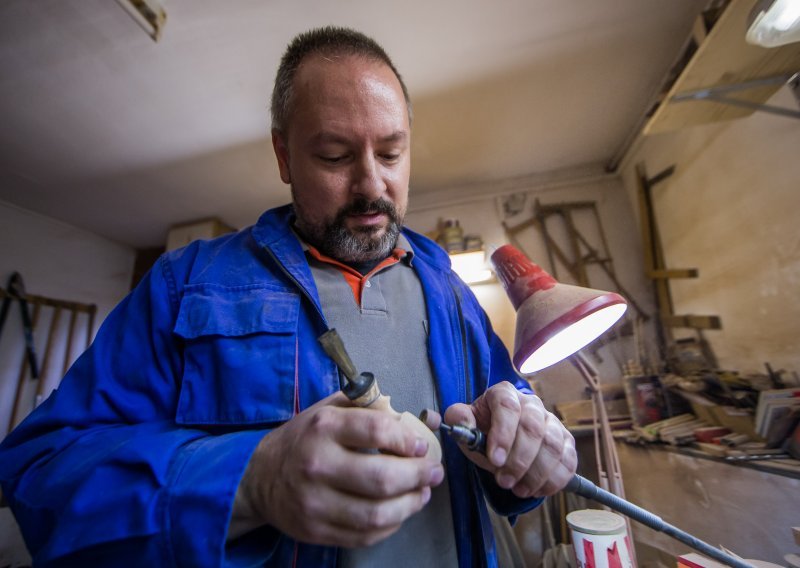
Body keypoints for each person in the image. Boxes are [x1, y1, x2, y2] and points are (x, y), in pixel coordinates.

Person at [0, 27, 576, 567]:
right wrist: (251, 481)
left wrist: (531, 453)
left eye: (392, 153)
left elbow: (511, 464)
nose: (373, 184)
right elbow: (41, 470)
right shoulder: (187, 284)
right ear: (284, 157)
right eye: (334, 156)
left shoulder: (452, 291)